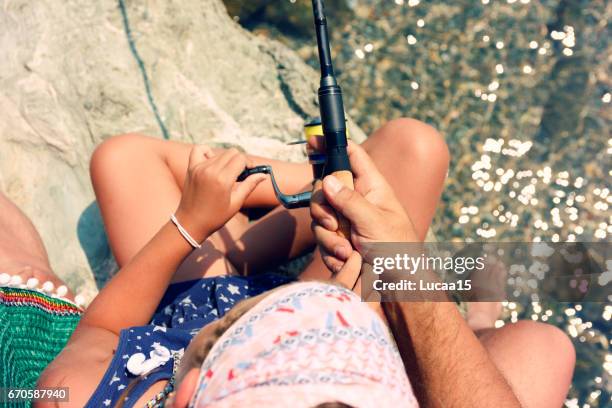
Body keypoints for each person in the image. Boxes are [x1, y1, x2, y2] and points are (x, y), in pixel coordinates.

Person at [24, 119, 571, 406]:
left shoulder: (72, 397)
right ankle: (473, 321)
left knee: (123, 158)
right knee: (415, 149)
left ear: (189, 391)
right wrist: (366, 308)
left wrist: (192, 222)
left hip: (193, 299)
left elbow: (88, 339)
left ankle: (309, 196)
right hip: (345, 313)